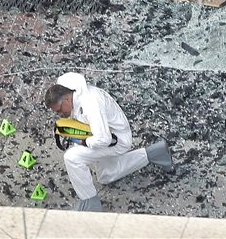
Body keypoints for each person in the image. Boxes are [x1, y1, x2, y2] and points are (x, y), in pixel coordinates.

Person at [44, 72, 172, 212]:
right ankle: (155, 153)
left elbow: (103, 139)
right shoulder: (73, 93)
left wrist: (83, 142)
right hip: (104, 134)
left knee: (72, 157)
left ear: (67, 99)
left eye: (59, 110)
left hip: (116, 140)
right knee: (106, 175)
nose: (60, 114)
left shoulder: (91, 104)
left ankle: (90, 202)